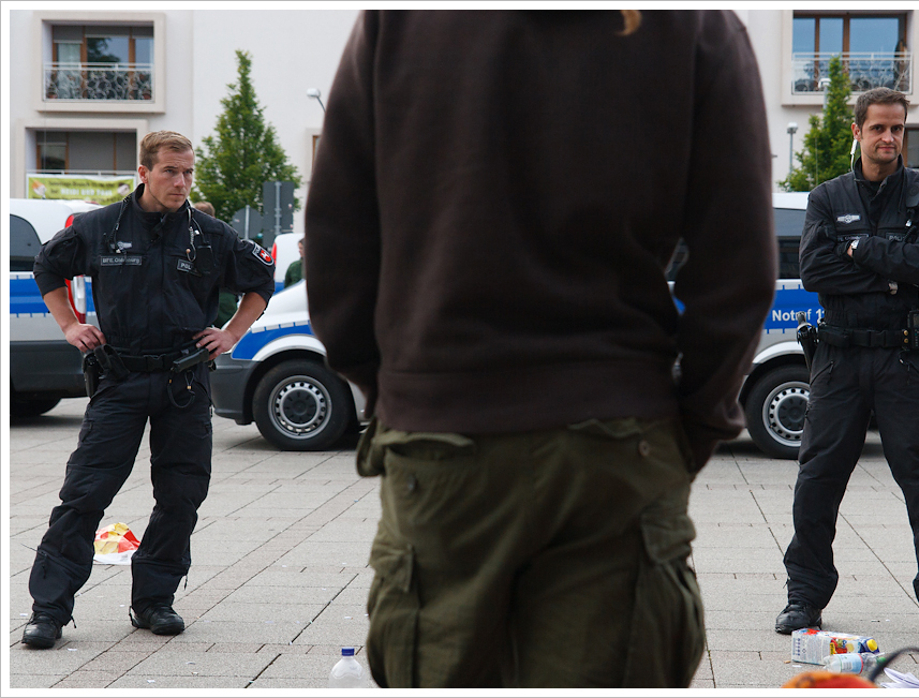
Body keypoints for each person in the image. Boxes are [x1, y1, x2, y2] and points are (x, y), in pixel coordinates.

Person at [305, 10, 776, 688]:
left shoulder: (402, 21)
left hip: (443, 438)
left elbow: (338, 239)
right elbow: (737, 263)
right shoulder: (695, 24)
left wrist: (403, 392)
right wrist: (690, 424)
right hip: (617, 440)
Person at [22, 131, 275, 649]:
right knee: (85, 495)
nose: (181, 182)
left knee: (181, 496)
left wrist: (231, 333)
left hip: (185, 382)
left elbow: (261, 282)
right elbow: (46, 267)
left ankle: (154, 600)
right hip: (119, 379)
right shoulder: (98, 228)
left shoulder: (211, 234)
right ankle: (48, 610)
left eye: (188, 173)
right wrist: (70, 325)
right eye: (170, 172)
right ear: (143, 173)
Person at [776, 88, 919, 642]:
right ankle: (804, 599)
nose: (889, 138)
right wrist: (892, 271)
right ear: (857, 132)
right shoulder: (825, 197)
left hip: (906, 359)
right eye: (879, 128)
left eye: (898, 128)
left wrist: (859, 250)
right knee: (816, 481)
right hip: (838, 361)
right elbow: (816, 271)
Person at [193, 200, 240, 327]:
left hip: (196, 299)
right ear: (213, 216)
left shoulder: (188, 237)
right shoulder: (225, 237)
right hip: (224, 297)